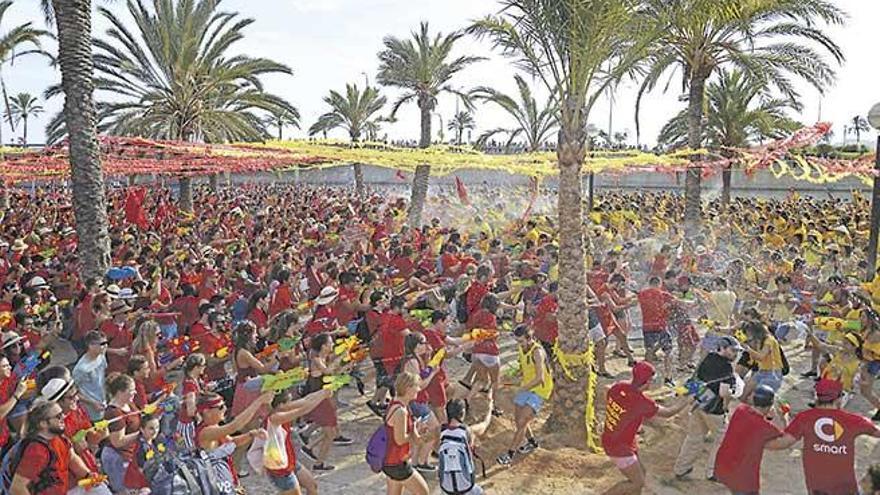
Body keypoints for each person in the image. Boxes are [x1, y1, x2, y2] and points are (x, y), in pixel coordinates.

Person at [769, 379, 880, 495]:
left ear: (817, 397)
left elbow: (782, 443)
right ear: (838, 399)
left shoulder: (804, 418)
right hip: (846, 488)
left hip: (817, 487)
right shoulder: (854, 420)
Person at [601, 362, 690, 495]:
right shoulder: (642, 402)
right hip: (619, 447)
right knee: (637, 482)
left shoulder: (618, 387)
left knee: (642, 473)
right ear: (647, 382)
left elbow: (612, 396)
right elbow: (668, 413)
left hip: (616, 439)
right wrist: (686, 400)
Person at [673, 335, 740, 481]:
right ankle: (713, 472)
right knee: (723, 440)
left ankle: (681, 468)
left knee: (694, 437)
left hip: (699, 403)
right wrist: (731, 396)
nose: (735, 354)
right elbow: (723, 393)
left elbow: (697, 378)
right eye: (733, 350)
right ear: (722, 348)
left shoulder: (708, 357)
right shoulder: (727, 368)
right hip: (714, 409)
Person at [713, 385, 789, 494]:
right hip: (743, 476)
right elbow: (785, 437)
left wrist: (768, 417)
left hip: (724, 465)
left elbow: (754, 424)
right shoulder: (764, 427)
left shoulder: (740, 410)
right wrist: (784, 417)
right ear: (770, 405)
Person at [9, 399, 96, 495]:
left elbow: (72, 458)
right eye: (58, 416)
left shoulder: (60, 438)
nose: (63, 417)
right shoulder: (36, 451)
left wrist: (88, 474)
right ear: (43, 423)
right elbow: (17, 488)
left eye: (62, 413)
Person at [196, 391, 274, 495]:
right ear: (206, 411)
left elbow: (233, 442)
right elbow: (234, 426)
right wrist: (259, 401)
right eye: (220, 407)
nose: (224, 409)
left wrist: (251, 434)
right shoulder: (206, 432)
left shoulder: (214, 427)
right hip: (217, 483)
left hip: (224, 479)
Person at [496, 324, 552, 466]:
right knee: (518, 420)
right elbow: (523, 369)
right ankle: (532, 442)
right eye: (517, 341)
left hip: (540, 389)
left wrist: (520, 389)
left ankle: (510, 454)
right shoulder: (522, 348)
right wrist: (511, 378)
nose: (519, 344)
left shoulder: (537, 352)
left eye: (521, 341)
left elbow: (540, 378)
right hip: (526, 385)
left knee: (522, 422)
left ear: (529, 338)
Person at [263, 388, 332, 495]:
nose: (291, 403)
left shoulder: (280, 409)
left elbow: (306, 400)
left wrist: (323, 391)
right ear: (281, 404)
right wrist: (322, 397)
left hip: (289, 459)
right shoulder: (275, 418)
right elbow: (303, 409)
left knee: (312, 485)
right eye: (289, 402)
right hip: (280, 467)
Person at [383, 372, 430, 495]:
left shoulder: (400, 405)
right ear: (408, 388)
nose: (418, 389)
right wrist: (413, 431)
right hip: (397, 462)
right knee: (423, 492)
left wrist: (417, 431)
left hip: (390, 461)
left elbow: (414, 439)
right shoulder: (401, 412)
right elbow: (400, 440)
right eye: (416, 386)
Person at [71, 331, 109, 421]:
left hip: (103, 403)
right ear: (91, 346)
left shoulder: (101, 356)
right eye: (102, 344)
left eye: (106, 343)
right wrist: (93, 403)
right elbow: (73, 392)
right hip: (89, 411)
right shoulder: (81, 369)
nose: (106, 346)